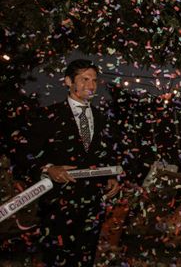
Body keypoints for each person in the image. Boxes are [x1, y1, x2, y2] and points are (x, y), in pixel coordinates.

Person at [24, 59, 121, 266]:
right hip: (58, 201)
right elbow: (28, 152)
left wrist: (111, 176)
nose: (91, 85)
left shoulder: (101, 117)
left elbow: (106, 153)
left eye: (94, 80)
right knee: (57, 257)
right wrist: (49, 168)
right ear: (68, 81)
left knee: (85, 255)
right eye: (85, 79)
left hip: (93, 200)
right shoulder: (49, 114)